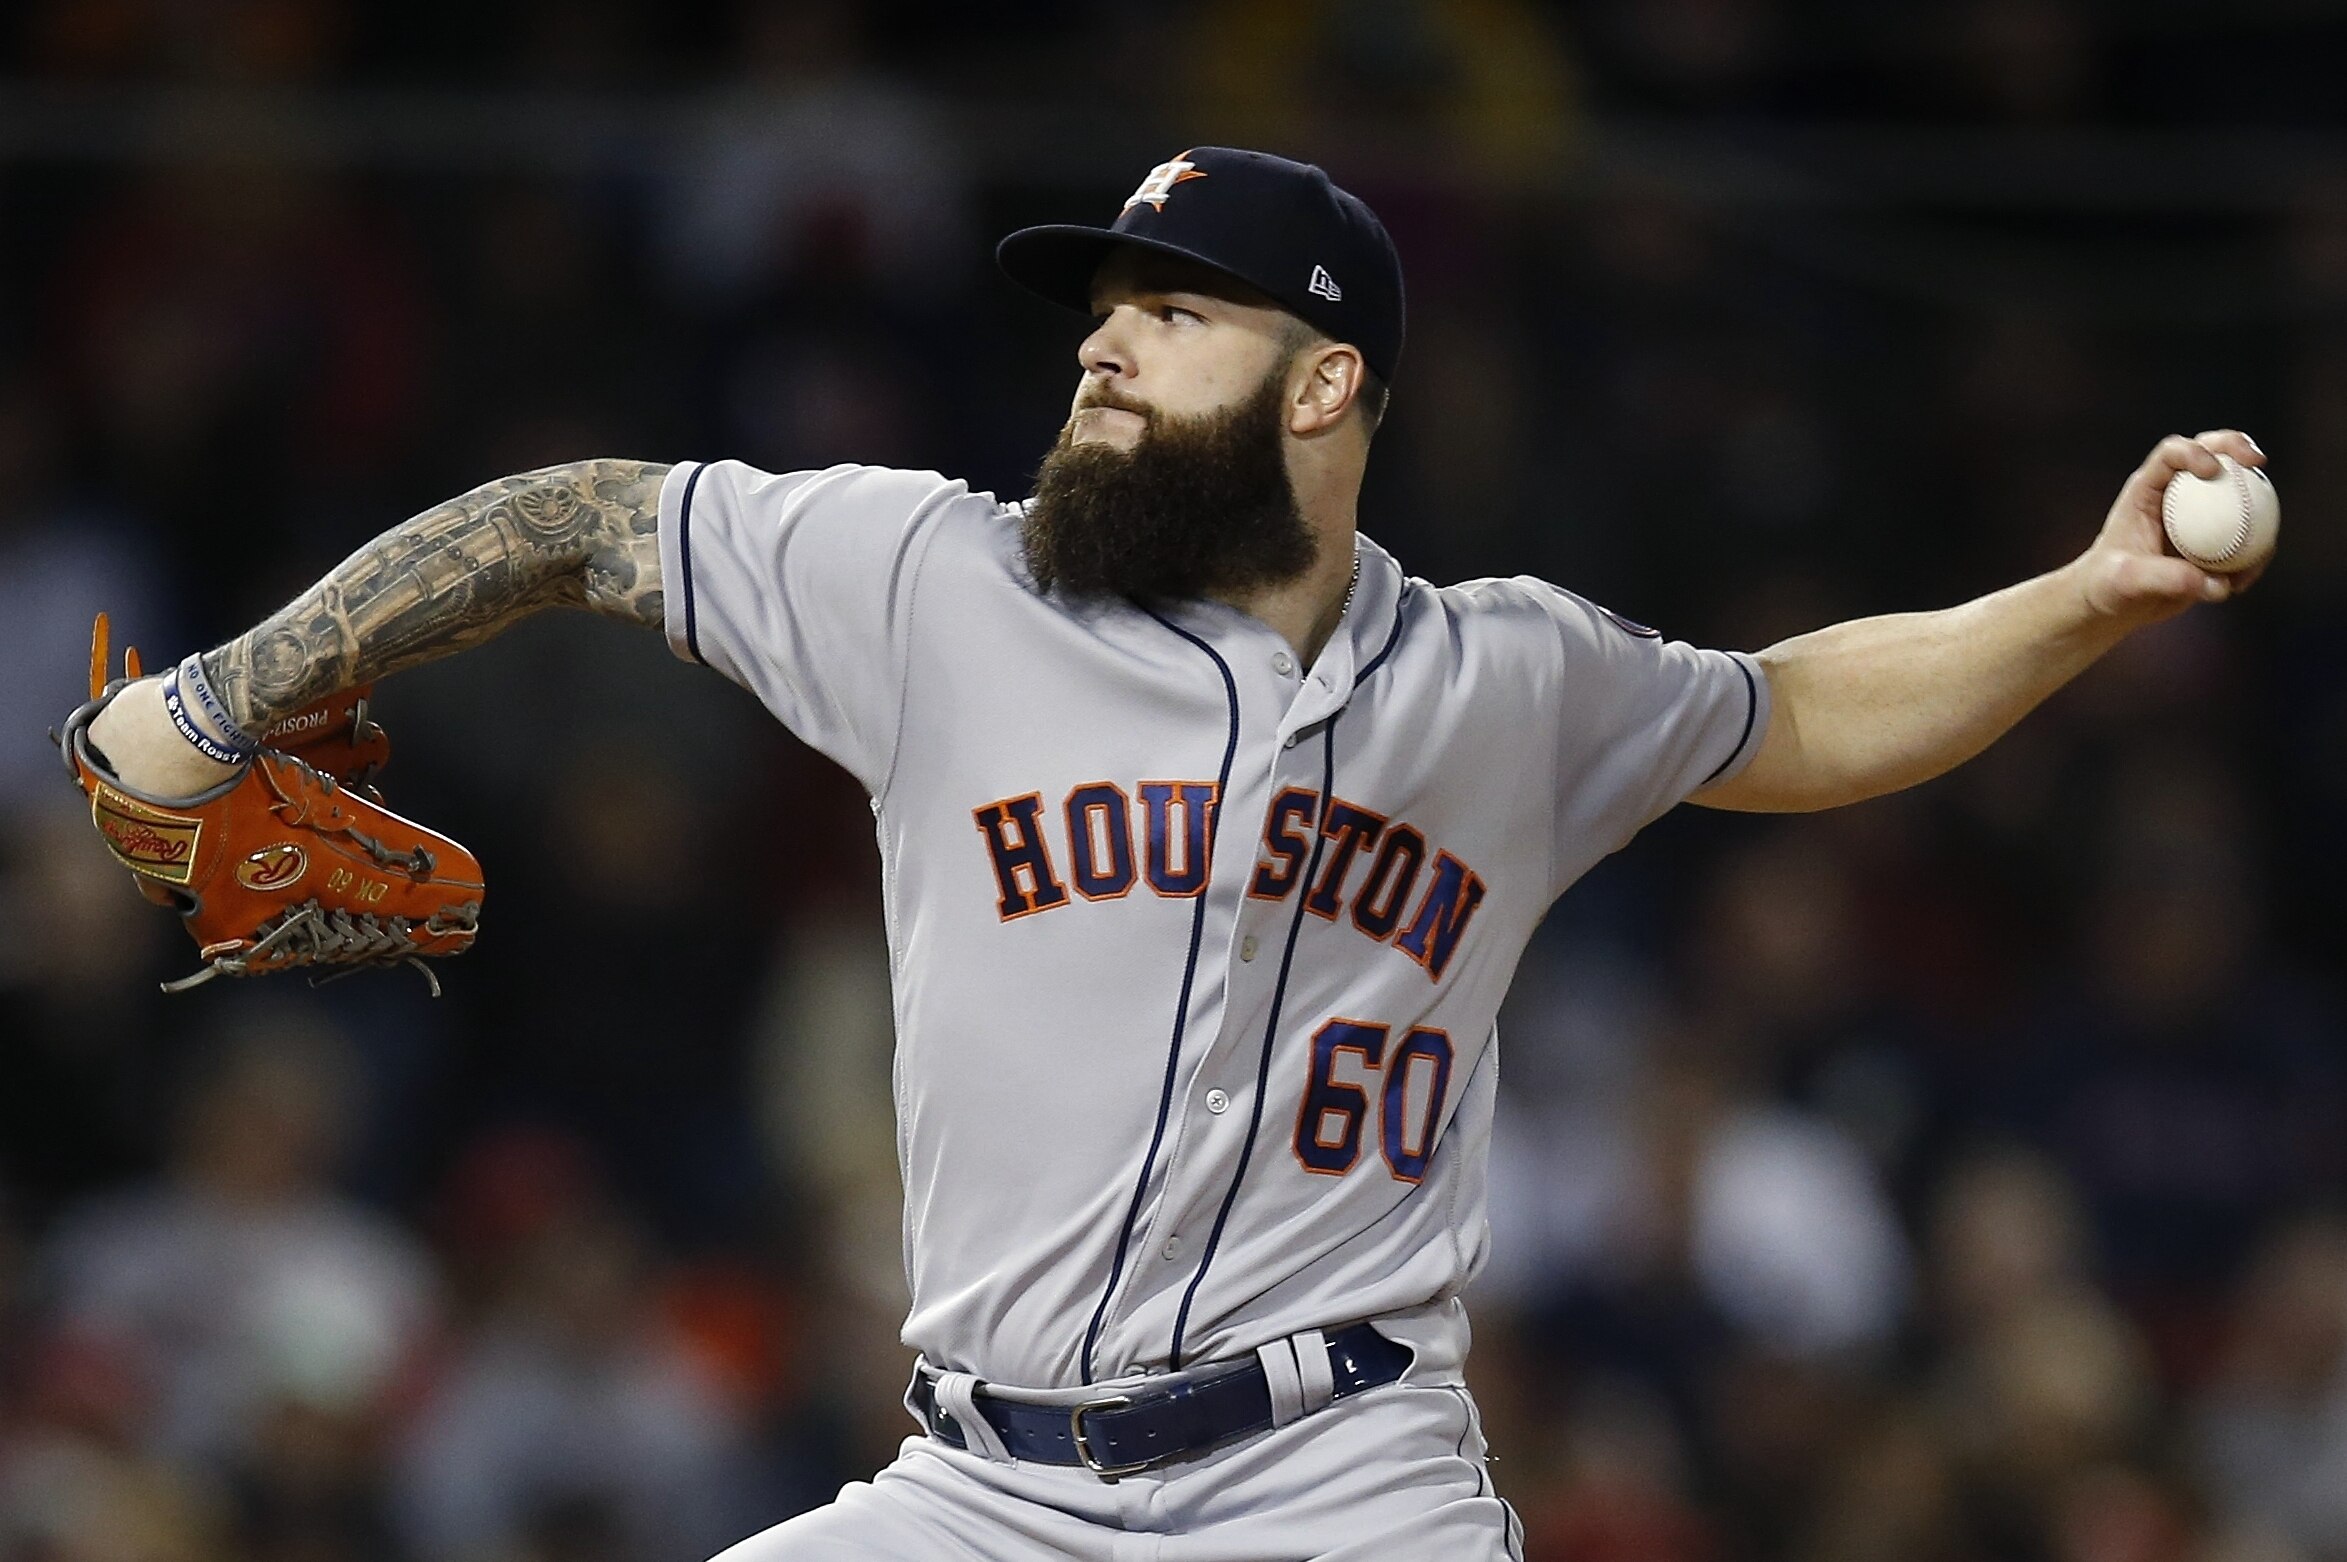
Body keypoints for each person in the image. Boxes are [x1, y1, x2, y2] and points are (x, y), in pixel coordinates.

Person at [75, 147, 2265, 1560]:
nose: (1103, 345)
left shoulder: (1508, 678)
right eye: (1100, 308)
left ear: (1324, 388)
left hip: (1334, 1483)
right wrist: (220, 701)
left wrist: (2079, 599)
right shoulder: (929, 580)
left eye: (1176, 313)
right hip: (970, 1488)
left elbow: (1796, 712)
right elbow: (576, 519)